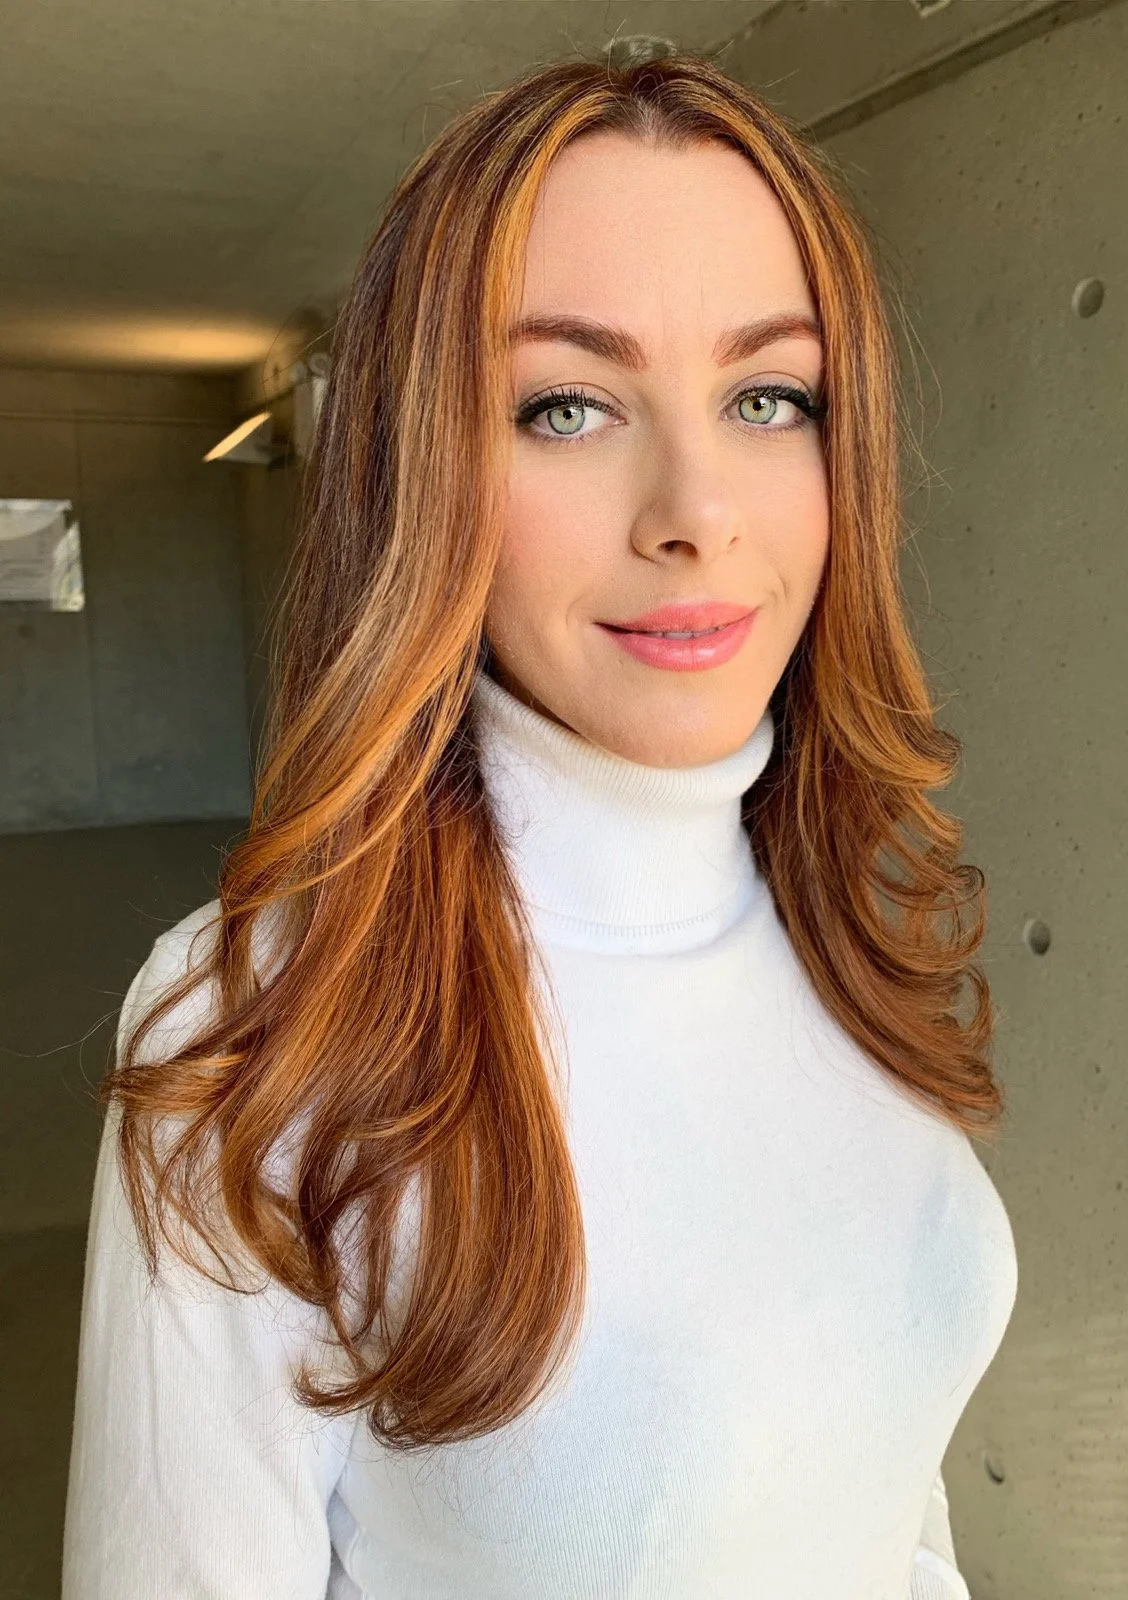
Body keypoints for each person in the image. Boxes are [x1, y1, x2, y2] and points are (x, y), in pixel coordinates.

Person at [62, 44, 1018, 1600]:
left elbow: (893, 1510)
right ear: (423, 471)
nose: (695, 508)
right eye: (568, 406)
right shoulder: (255, 1029)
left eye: (770, 395)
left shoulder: (845, 919)